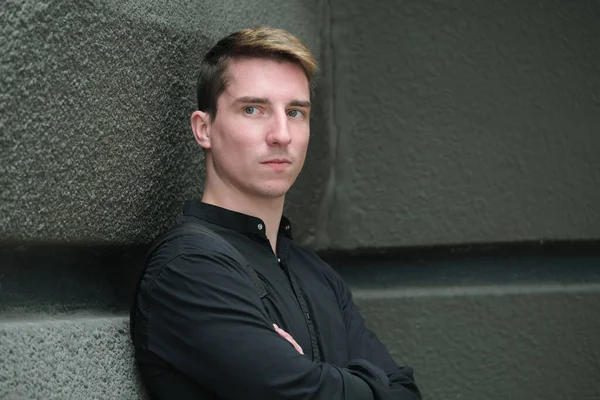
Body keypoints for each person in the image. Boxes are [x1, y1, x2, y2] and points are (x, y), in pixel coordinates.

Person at [130, 27, 421, 399]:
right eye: (253, 109)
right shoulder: (188, 269)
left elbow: (407, 392)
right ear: (204, 129)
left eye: (296, 112)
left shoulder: (315, 273)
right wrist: (356, 379)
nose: (281, 134)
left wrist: (315, 375)